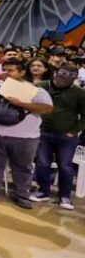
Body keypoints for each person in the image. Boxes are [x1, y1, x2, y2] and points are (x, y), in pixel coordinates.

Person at [0, 59, 53, 209]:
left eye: (10, 70)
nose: (6, 73)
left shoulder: (34, 89)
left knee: (23, 167)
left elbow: (47, 108)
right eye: (4, 70)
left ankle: (22, 194)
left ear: (22, 72)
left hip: (25, 136)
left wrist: (20, 104)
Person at [31, 66, 85, 210]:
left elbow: (84, 115)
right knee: (43, 163)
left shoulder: (79, 93)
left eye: (66, 79)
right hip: (43, 131)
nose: (61, 81)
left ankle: (65, 196)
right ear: (55, 74)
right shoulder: (41, 86)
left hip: (66, 135)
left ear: (74, 79)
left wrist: (74, 131)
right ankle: (43, 191)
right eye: (60, 77)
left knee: (65, 166)